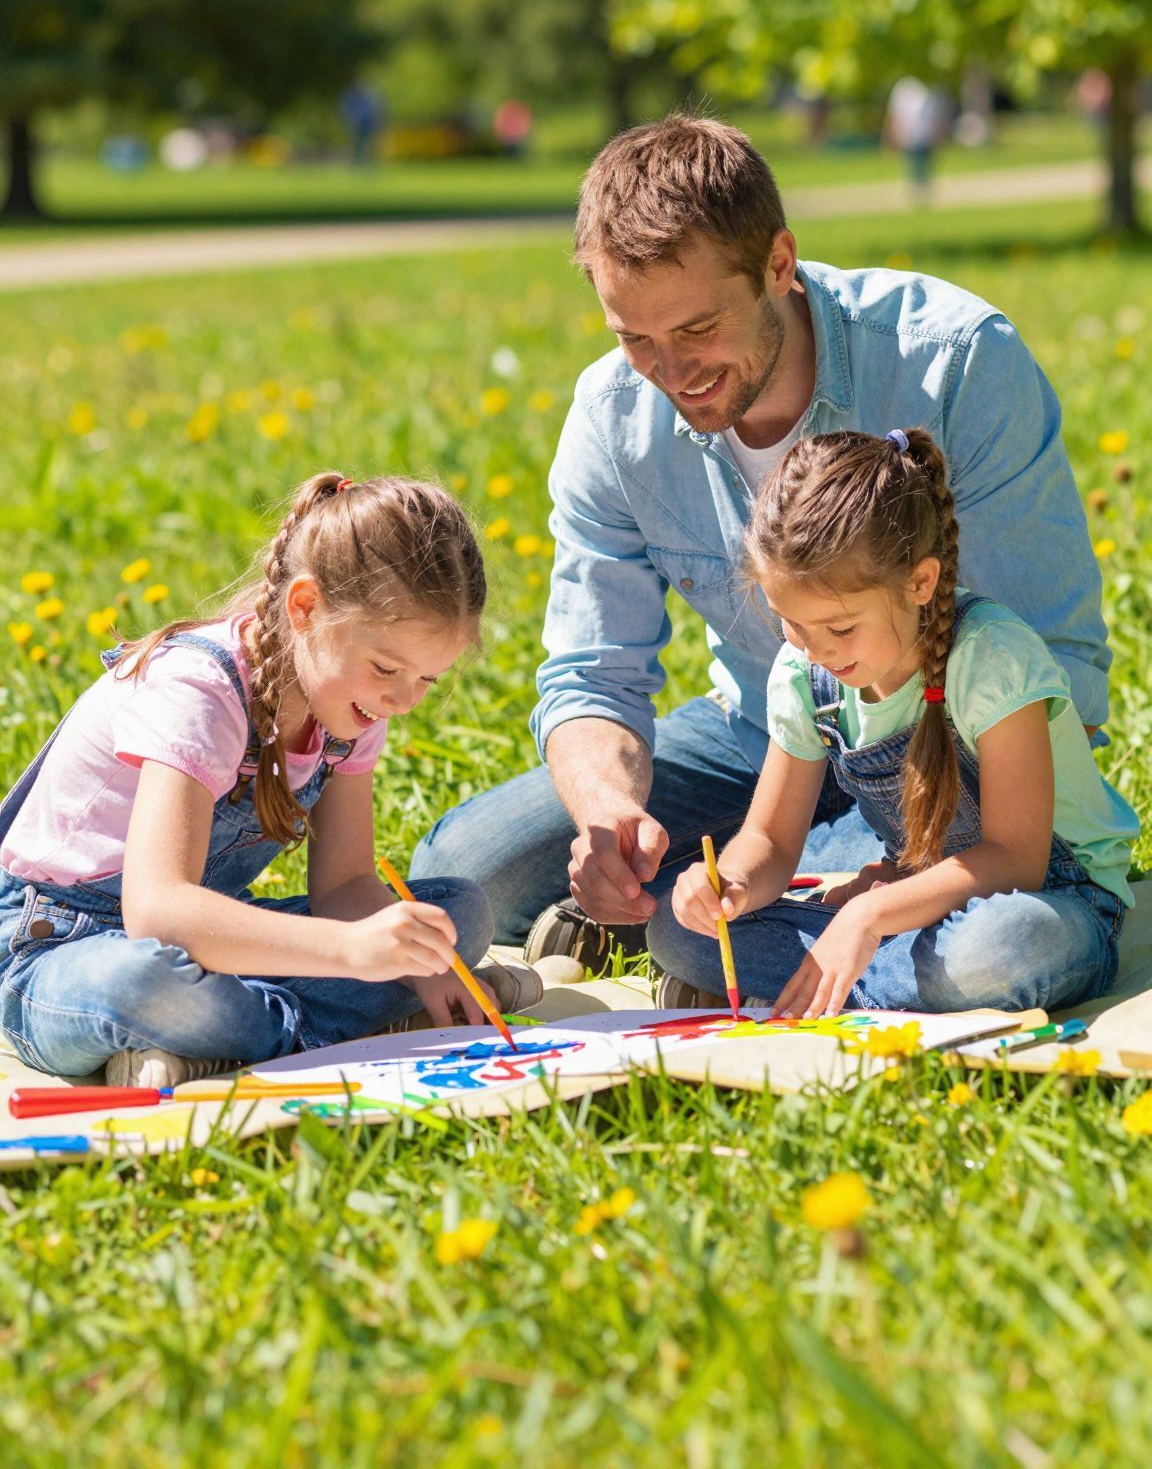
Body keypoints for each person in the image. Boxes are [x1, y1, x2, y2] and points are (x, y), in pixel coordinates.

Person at [411, 116, 1110, 973]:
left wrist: (900, 852)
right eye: (634, 338)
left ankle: (811, 906)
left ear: (779, 264)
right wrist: (612, 822)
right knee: (462, 875)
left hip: (950, 767)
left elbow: (1057, 662)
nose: (671, 372)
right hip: (761, 739)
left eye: (697, 328)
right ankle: (716, 905)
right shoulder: (611, 422)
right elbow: (591, 674)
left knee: (935, 923)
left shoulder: (955, 362)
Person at [0, 472, 528, 1089]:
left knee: (453, 917)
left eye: (426, 681)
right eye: (388, 668)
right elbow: (156, 911)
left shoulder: (354, 703)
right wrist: (355, 954)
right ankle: (295, 1029)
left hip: (205, 939)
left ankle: (218, 1041)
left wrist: (413, 958)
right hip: (58, 949)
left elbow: (347, 886)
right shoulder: (200, 690)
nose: (404, 700)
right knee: (144, 985)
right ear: (305, 608)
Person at [653, 428, 1136, 1013]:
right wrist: (727, 884)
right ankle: (873, 976)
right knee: (678, 934)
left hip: (1050, 899)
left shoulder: (991, 657)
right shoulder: (806, 674)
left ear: (921, 582)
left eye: (839, 627)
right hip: (911, 900)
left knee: (1003, 948)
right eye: (791, 623)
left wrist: (870, 912)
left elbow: (1016, 858)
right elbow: (771, 842)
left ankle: (826, 979)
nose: (814, 649)